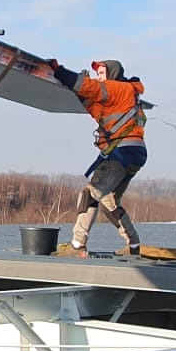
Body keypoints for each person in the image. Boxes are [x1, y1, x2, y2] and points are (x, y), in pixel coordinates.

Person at [45, 59, 148, 256]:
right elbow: (94, 108)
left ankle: (77, 245)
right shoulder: (127, 94)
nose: (99, 77)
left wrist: (59, 71)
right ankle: (133, 245)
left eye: (101, 73)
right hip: (133, 153)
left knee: (89, 194)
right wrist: (80, 92)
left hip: (121, 152)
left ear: (112, 74)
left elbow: (87, 86)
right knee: (109, 201)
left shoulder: (116, 88)